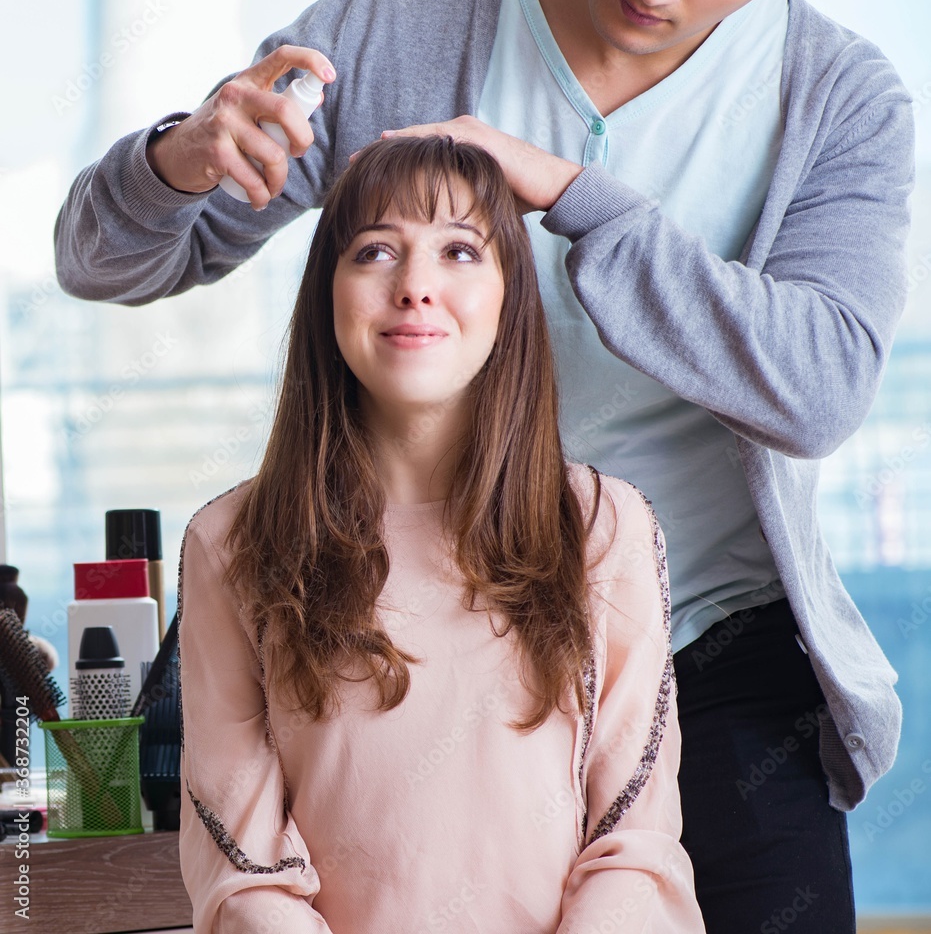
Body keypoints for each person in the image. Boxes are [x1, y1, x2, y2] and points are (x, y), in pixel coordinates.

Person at [55, 0, 915, 929]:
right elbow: (107, 261)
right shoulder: (396, 23)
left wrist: (578, 202)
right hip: (409, 649)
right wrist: (174, 164)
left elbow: (820, 390)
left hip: (711, 648)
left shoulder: (837, 97)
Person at [177, 135, 704, 933]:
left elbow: (632, 841)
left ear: (508, 293)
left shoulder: (605, 527)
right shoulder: (230, 543)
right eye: (375, 251)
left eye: (460, 250)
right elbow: (241, 869)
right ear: (328, 291)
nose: (415, 287)